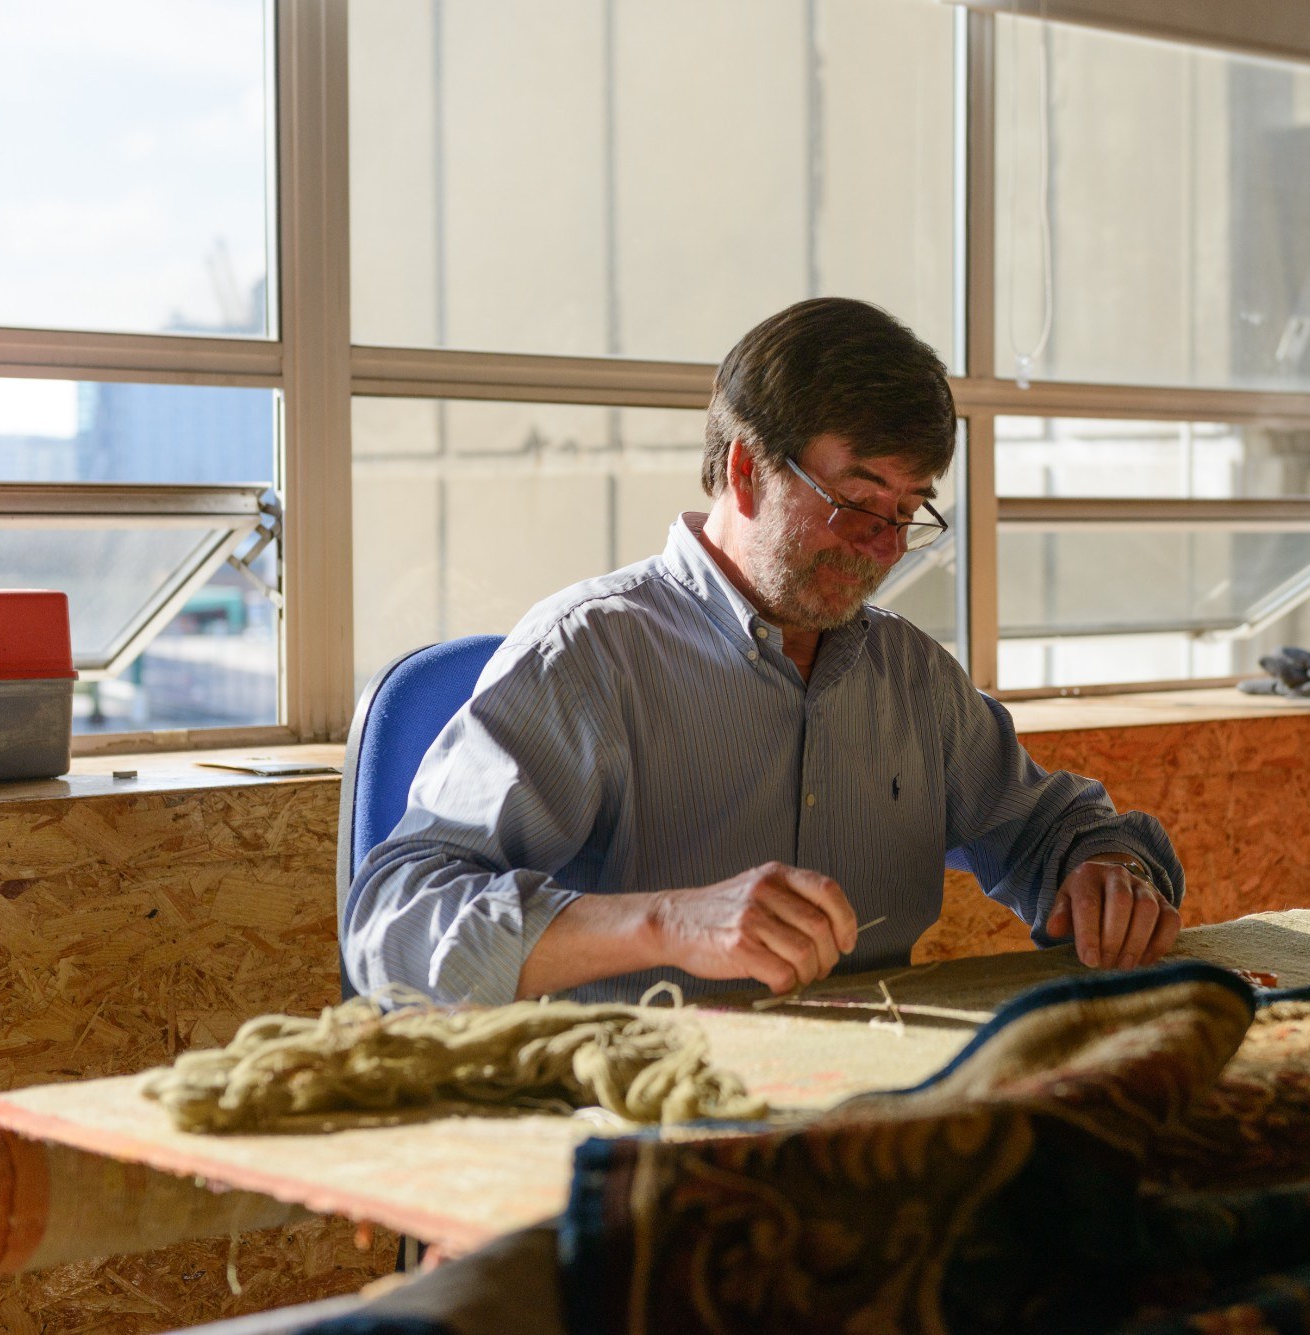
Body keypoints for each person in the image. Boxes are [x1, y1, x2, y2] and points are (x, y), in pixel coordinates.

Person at [344, 297, 1182, 1004]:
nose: (886, 547)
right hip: (643, 1128)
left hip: (870, 1120)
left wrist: (1103, 869)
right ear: (746, 471)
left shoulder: (912, 678)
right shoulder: (590, 656)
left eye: (908, 510)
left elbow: (1052, 828)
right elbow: (394, 919)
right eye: (857, 501)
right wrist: (670, 922)